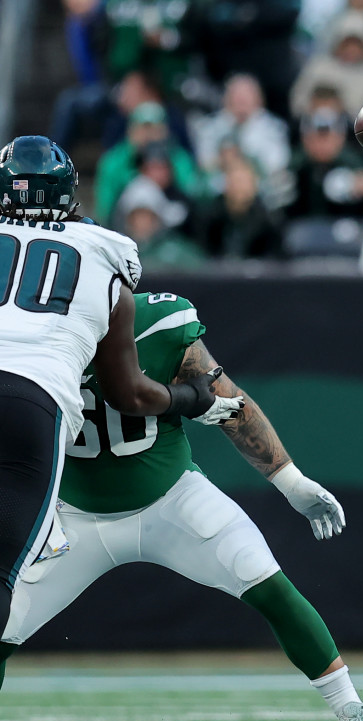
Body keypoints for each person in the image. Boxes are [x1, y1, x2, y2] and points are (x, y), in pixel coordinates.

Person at [0, 289, 363, 721]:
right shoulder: (18, 333)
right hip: (72, 511)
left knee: (265, 579)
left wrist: (290, 481)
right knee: (4, 623)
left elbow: (227, 402)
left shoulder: (160, 322)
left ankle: (353, 712)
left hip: (171, 497)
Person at [0, 135, 240, 648]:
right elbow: (128, 393)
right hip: (30, 403)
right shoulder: (106, 252)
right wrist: (192, 399)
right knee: (3, 576)